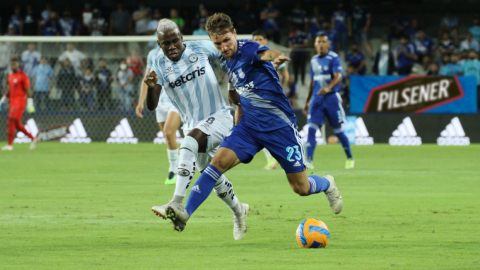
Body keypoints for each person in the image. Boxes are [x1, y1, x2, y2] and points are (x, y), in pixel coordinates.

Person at [160, 13, 343, 234]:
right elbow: (237, 96)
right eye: (217, 43)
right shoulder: (225, 62)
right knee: (215, 165)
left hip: (280, 128)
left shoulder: (248, 50)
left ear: (235, 34)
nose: (224, 47)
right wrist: (237, 123)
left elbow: (265, 53)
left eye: (227, 40)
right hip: (249, 129)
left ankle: (327, 184)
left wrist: (275, 56)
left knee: (301, 188)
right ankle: (184, 213)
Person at [144, 19, 249, 240]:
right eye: (166, 43)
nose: (172, 46)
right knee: (213, 176)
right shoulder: (158, 63)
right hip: (193, 125)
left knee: (188, 144)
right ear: (159, 44)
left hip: (219, 117)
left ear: (181, 38)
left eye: (175, 41)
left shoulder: (199, 47)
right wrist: (151, 88)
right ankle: (239, 211)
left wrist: (231, 86)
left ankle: (176, 203)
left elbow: (229, 54)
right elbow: (152, 105)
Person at [303, 34, 354, 169]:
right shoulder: (313, 60)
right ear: (314, 44)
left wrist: (328, 88)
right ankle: (309, 160)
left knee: (338, 131)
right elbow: (312, 82)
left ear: (328, 44)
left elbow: (339, 76)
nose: (320, 44)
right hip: (316, 99)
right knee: (311, 129)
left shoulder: (334, 58)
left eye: (323, 42)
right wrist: (307, 102)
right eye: (318, 42)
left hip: (331, 98)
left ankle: (349, 157)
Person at [136, 44, 181, 184]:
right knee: (168, 137)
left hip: (175, 100)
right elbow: (147, 79)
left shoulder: (179, 51)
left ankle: (174, 170)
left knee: (168, 132)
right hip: (159, 101)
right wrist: (141, 101)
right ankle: (181, 163)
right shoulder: (153, 54)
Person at [252, 29, 291, 170]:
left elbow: (287, 76)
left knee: (266, 129)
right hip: (257, 99)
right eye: (255, 39)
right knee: (264, 129)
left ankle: (275, 158)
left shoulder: (269, 57)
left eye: (260, 39)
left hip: (271, 99)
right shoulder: (251, 58)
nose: (257, 42)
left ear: (265, 41)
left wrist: (282, 89)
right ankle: (275, 158)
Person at [0, 59, 36, 151]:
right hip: (12, 102)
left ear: (18, 65)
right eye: (11, 65)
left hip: (19, 102)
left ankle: (9, 145)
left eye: (14, 64)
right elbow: (9, 88)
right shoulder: (11, 76)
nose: (12, 66)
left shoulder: (23, 76)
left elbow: (28, 89)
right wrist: (3, 99)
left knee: (11, 121)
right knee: (17, 124)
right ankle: (33, 138)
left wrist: (30, 102)